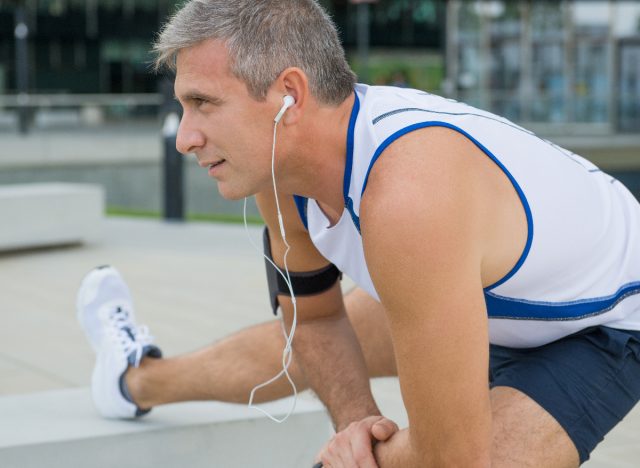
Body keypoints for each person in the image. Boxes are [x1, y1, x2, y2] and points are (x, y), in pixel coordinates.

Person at [76, 1, 640, 467]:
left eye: (203, 104)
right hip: (484, 282)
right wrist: (356, 423)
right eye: (183, 106)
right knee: (294, 349)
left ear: (289, 97)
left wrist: (353, 456)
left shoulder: (408, 198)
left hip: (602, 326)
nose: (185, 138)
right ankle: (130, 379)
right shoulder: (282, 169)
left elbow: (453, 460)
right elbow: (316, 320)